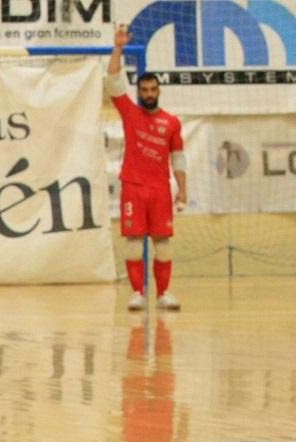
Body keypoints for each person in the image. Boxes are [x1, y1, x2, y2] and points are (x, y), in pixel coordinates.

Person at [109, 24, 186, 312]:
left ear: (159, 91)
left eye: (153, 89)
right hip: (133, 186)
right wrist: (118, 47)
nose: (149, 93)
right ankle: (138, 293)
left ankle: (164, 293)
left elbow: (178, 158)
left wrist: (182, 190)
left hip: (160, 189)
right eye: (144, 89)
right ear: (139, 91)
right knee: (132, 242)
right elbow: (113, 80)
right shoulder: (130, 113)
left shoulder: (172, 122)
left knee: (163, 243)